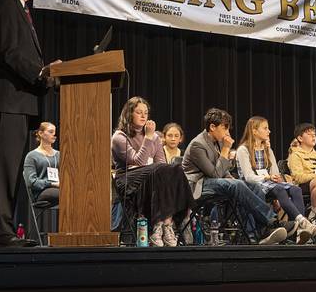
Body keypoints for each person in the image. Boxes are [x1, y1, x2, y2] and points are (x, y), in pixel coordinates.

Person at [0, 0, 61, 248]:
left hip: (19, 102)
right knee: (0, 167)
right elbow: (6, 49)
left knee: (9, 168)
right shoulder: (4, 3)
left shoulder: (21, 9)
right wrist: (40, 72)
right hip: (6, 100)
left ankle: (4, 230)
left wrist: (45, 73)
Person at [182, 108, 290, 245]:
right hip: (197, 186)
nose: (227, 132)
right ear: (212, 127)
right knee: (237, 185)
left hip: (214, 181)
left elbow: (222, 171)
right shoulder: (198, 144)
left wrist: (230, 177)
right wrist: (226, 150)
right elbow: (214, 173)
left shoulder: (218, 141)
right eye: (224, 127)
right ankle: (271, 221)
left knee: (253, 186)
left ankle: (256, 235)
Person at [111, 97, 193, 247]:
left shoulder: (154, 136)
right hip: (127, 179)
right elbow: (139, 161)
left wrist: (151, 137)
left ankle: (165, 224)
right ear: (129, 114)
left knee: (175, 169)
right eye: (139, 112)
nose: (143, 116)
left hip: (150, 176)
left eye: (146, 113)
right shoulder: (119, 137)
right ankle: (158, 225)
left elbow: (161, 164)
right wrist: (148, 137)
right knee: (159, 171)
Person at [236, 116, 316, 244]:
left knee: (295, 189)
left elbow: (274, 172)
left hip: (269, 183)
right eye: (265, 128)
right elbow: (248, 176)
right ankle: (303, 222)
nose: (269, 131)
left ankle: (297, 233)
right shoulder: (243, 149)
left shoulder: (267, 150)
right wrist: (268, 177)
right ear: (254, 131)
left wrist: (275, 176)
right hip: (252, 186)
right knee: (279, 189)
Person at [23, 122, 60, 205]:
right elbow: (31, 182)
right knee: (67, 194)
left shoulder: (59, 155)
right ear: (41, 133)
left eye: (55, 132)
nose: (54, 135)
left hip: (60, 188)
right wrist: (52, 184)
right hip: (41, 192)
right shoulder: (32, 156)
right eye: (51, 132)